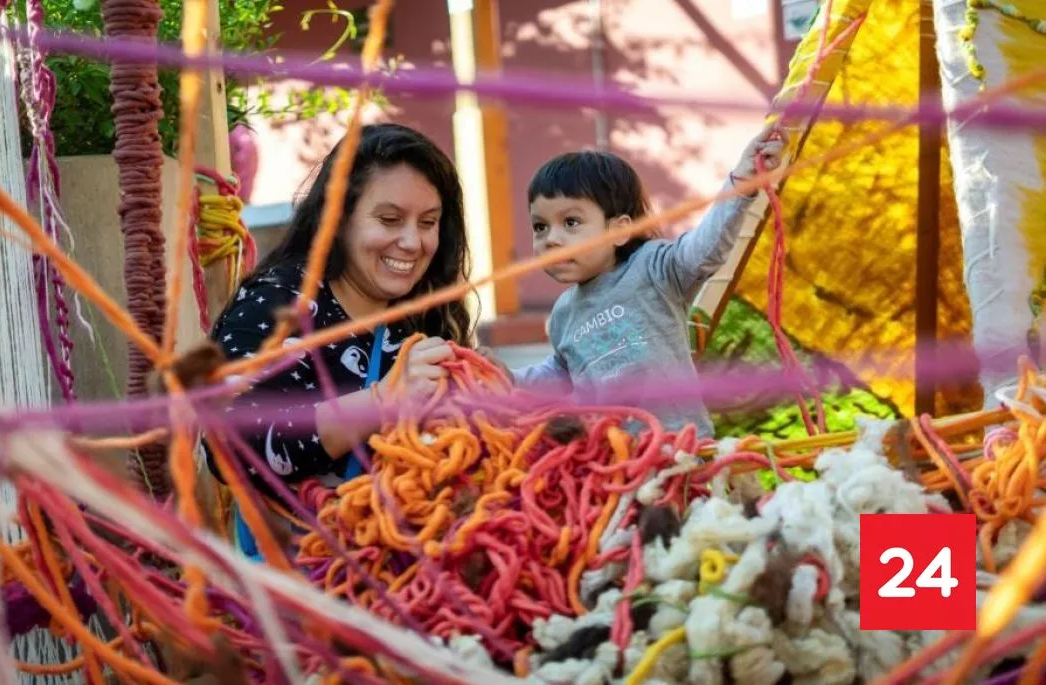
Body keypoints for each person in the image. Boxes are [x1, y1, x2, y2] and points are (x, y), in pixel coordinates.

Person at [205, 123, 473, 554]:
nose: (411, 242)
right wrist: (384, 399)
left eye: (428, 223)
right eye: (389, 220)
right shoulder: (280, 304)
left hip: (411, 577)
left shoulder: (419, 317)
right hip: (310, 594)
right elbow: (230, 445)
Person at [498, 127, 786, 437]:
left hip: (679, 450)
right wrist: (508, 379)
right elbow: (560, 372)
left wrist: (741, 184)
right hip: (611, 462)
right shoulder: (563, 313)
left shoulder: (653, 269)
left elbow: (705, 250)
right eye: (540, 226)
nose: (551, 239)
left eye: (571, 222)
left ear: (620, 231)